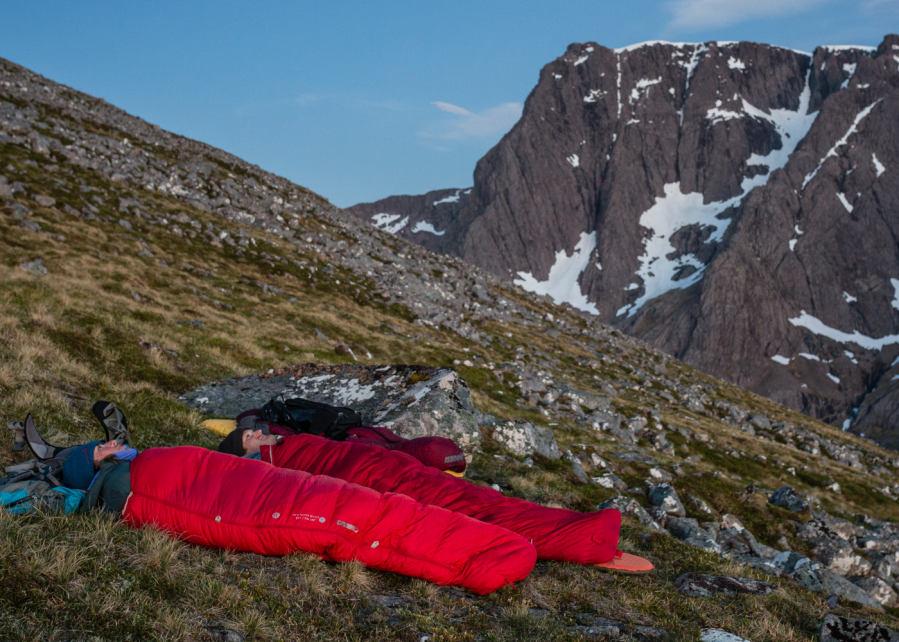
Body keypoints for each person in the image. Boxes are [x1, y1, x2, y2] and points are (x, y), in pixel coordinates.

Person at [16, 421, 538, 594]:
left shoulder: (132, 463)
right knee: (356, 519)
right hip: (207, 495)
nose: (115, 444)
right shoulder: (118, 485)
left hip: (231, 479)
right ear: (92, 472)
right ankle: (489, 553)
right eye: (103, 450)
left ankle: (506, 543)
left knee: (362, 504)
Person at [217, 425, 651, 573]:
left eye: (254, 430)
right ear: (247, 453)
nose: (257, 432)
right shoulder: (271, 462)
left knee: (476, 499)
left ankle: (577, 530)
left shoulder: (288, 442)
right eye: (248, 438)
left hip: (392, 470)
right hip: (386, 482)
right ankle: (582, 537)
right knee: (475, 509)